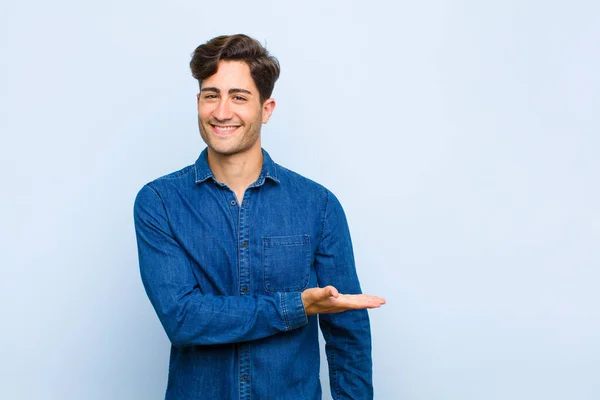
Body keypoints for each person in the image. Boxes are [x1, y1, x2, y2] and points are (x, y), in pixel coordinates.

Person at [134, 33, 386, 400]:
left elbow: (348, 332)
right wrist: (295, 307)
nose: (222, 112)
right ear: (198, 102)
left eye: (239, 97)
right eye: (211, 95)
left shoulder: (319, 204)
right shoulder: (160, 202)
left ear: (266, 109)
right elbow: (183, 318)